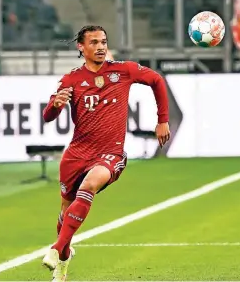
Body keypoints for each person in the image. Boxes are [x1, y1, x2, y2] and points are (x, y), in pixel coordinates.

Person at [41, 25, 171, 281]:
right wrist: (55, 106)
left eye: (104, 42)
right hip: (76, 154)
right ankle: (64, 260)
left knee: (89, 185)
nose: (101, 47)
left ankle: (56, 249)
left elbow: (156, 80)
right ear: (81, 47)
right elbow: (48, 116)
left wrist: (162, 120)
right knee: (65, 212)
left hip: (109, 153)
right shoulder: (71, 79)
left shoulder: (123, 70)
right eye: (94, 42)